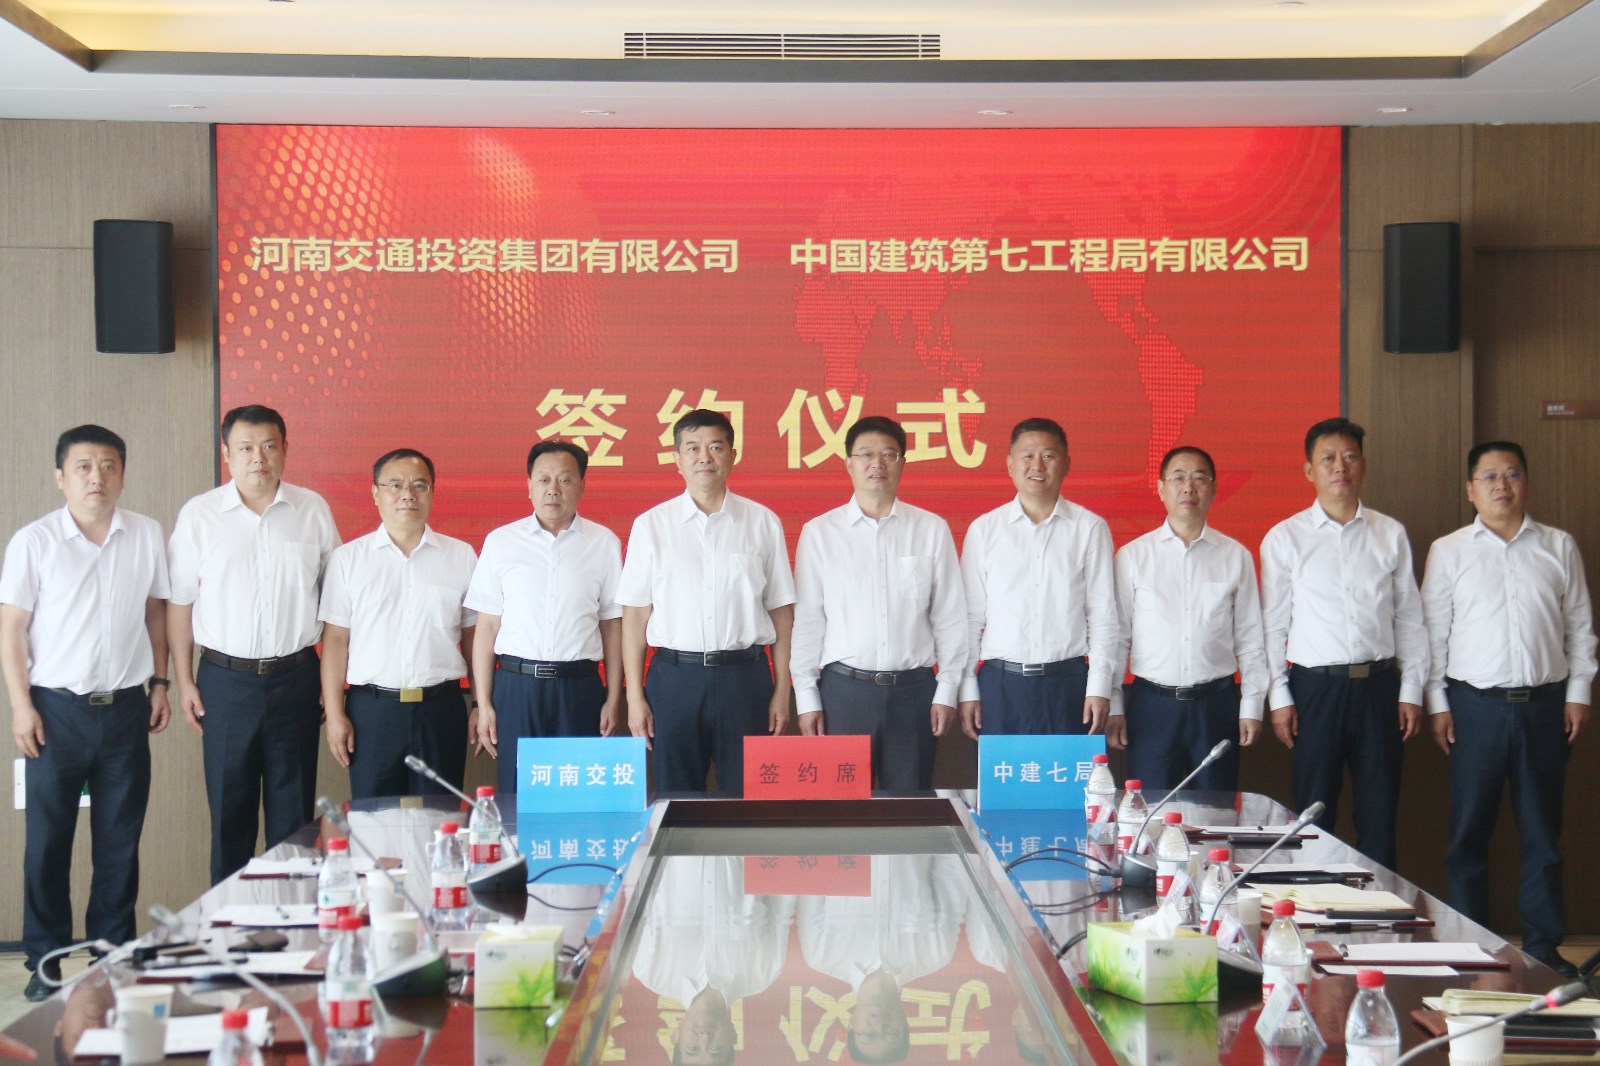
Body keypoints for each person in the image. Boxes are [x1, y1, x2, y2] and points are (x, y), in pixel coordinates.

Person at [0, 425, 170, 1001]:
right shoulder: (34, 541)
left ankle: (111, 956)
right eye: (83, 467)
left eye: (108, 465)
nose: (97, 477)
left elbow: (156, 613)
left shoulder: (146, 534)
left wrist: (161, 682)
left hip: (125, 709)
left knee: (119, 842)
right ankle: (45, 962)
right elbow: (11, 629)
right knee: (48, 841)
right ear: (61, 477)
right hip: (54, 711)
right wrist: (21, 707)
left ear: (122, 473)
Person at [1420, 441, 1596, 978]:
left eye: (1513, 474)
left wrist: (1578, 694)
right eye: (1489, 476)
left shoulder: (1558, 546)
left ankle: (1543, 949)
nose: (1502, 484)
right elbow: (1432, 634)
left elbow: (1580, 628)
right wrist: (1437, 703)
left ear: (1526, 483)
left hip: (1546, 708)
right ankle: (1471, 948)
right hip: (1473, 710)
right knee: (1468, 834)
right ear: (1470, 489)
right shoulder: (1449, 550)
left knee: (1542, 835)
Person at [167, 405, 340, 884]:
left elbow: (336, 607)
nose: (257, 458)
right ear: (227, 454)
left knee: (294, 817)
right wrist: (183, 681)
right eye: (245, 448)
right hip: (224, 682)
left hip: (297, 677)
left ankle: (293, 915)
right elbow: (179, 605)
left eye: (268, 446)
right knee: (230, 815)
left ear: (285, 450)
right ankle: (230, 922)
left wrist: (331, 687)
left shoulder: (312, 510)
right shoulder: (200, 515)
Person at [1261, 417, 1427, 871]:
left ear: (1363, 466)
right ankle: (1314, 906)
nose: (1340, 467)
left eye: (1350, 457)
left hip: (1379, 688)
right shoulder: (1285, 538)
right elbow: (1272, 627)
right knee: (1314, 816)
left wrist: (1411, 690)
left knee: (1379, 815)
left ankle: (1381, 910)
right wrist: (1279, 698)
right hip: (1316, 690)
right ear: (1309, 471)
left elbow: (1410, 618)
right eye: (1328, 458)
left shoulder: (1389, 533)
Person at [617, 409, 795, 794]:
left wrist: (782, 688)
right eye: (693, 448)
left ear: (733, 455)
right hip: (674, 680)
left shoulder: (763, 522)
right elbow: (634, 617)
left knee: (749, 796)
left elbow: (781, 611)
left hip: (745, 678)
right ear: (677, 459)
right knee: (675, 798)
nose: (704, 457)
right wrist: (634, 696)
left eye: (715, 447)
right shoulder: (651, 526)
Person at [792, 416, 966, 790]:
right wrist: (806, 696)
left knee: (909, 809)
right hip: (844, 692)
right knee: (843, 810)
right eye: (866, 454)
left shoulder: (931, 529)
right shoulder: (820, 533)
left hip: (914, 693)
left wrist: (948, 688)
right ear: (848, 463)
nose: (877, 464)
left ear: (902, 462)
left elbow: (950, 617)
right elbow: (808, 620)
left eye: (889, 454)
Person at [466, 440, 623, 802]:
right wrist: (484, 704)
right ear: (529, 486)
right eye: (544, 479)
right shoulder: (501, 542)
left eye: (565, 480)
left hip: (579, 688)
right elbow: (487, 628)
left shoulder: (604, 543)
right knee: (518, 797)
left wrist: (614, 697)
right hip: (516, 688)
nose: (553, 489)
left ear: (582, 486)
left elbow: (611, 626)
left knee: (579, 796)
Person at [318, 448, 476, 800]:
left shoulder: (461, 556)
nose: (408, 494)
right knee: (374, 819)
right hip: (372, 712)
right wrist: (335, 713)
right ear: (375, 493)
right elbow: (336, 641)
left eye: (419, 485)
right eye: (395, 485)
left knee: (440, 816)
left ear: (432, 492)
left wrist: (480, 705)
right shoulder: (348, 560)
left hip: (440, 709)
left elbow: (472, 637)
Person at [1113, 445, 1268, 790]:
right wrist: (1114, 706)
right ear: (1161, 488)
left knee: (1215, 811)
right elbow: (1117, 639)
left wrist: (1252, 706)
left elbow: (1250, 640)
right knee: (1151, 809)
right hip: (1151, 707)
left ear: (1213, 489)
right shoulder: (1133, 557)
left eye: (1199, 478)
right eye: (1178, 478)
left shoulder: (1235, 557)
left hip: (1216, 706)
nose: (1188, 487)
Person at [958, 418, 1117, 742]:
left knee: (1067, 776)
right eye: (1028, 456)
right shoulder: (984, 530)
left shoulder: (1089, 529)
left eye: (1048, 456)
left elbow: (1102, 615)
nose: (1038, 465)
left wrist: (1099, 687)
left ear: (1066, 464)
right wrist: (968, 686)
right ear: (1010, 465)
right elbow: (970, 619)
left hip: (1069, 684)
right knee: (1004, 776)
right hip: (1000, 686)